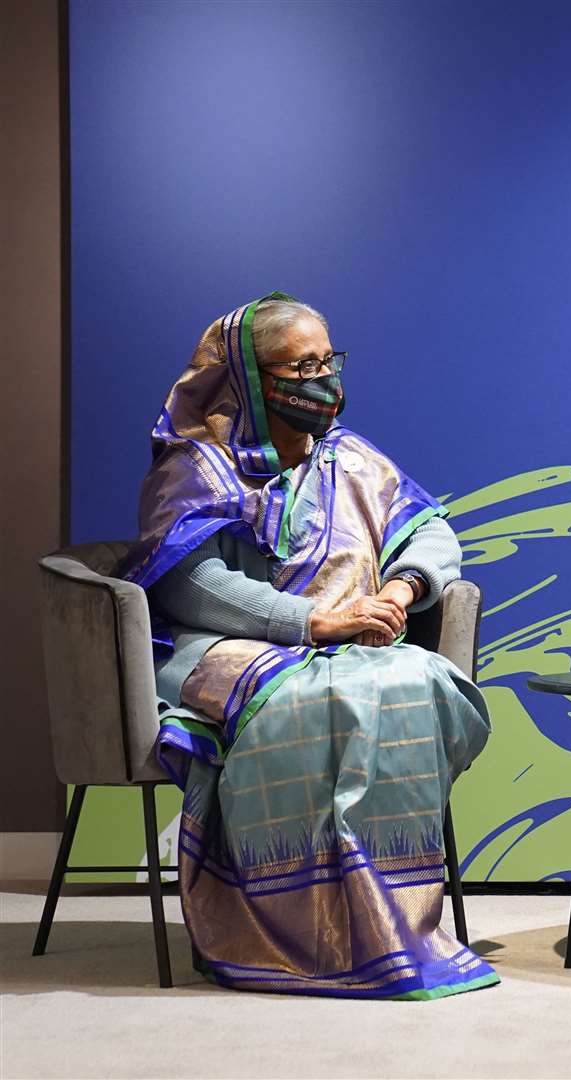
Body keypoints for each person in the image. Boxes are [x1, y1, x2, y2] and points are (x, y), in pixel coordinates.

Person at [122, 293, 497, 998]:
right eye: (304, 365)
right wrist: (314, 623)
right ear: (251, 380)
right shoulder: (196, 467)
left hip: (357, 636)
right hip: (226, 648)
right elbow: (190, 585)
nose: (325, 379)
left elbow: (432, 532)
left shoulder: (351, 459)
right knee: (327, 694)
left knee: (414, 681)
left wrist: (401, 591)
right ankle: (295, 930)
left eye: (330, 360)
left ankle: (394, 921)